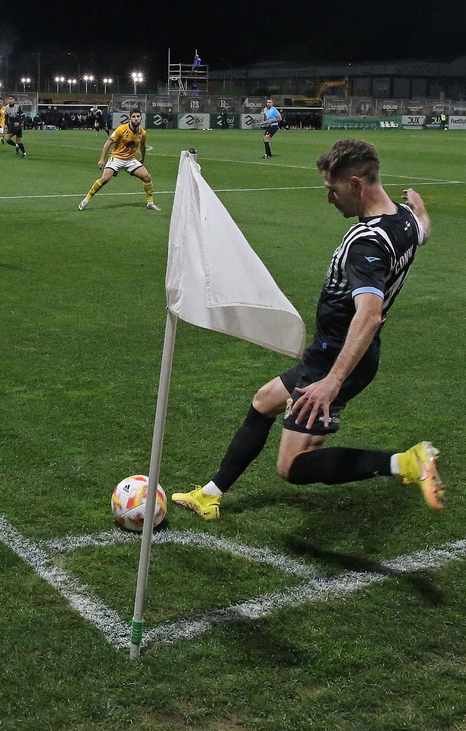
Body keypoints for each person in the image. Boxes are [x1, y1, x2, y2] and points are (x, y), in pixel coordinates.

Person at [172, 138, 442, 520]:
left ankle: (406, 463)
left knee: (292, 466)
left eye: (332, 190)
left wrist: (332, 381)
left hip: (336, 358)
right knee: (264, 402)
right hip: (334, 353)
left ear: (356, 184)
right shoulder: (404, 220)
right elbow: (424, 230)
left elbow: (368, 314)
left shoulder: (367, 242)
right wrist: (421, 208)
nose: (329, 199)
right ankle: (211, 494)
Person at [79, 109, 159, 211]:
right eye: (134, 116)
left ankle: (150, 203)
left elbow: (143, 146)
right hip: (116, 158)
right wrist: (102, 159)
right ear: (130, 118)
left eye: (138, 116)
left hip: (130, 160)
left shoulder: (142, 133)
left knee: (147, 177)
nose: (136, 119)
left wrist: (143, 158)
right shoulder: (121, 129)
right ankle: (86, 200)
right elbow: (108, 142)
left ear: (141, 118)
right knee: (105, 179)